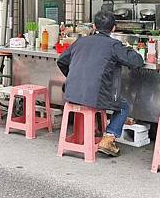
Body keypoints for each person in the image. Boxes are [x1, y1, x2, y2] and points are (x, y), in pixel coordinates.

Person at [57, 11, 144, 157]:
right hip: (95, 96)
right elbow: (136, 62)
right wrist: (129, 49)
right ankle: (108, 139)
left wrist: (74, 77)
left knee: (103, 98)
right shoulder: (114, 45)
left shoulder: (81, 41)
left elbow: (61, 61)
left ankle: (96, 131)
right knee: (123, 106)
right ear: (114, 28)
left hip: (70, 93)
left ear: (93, 26)